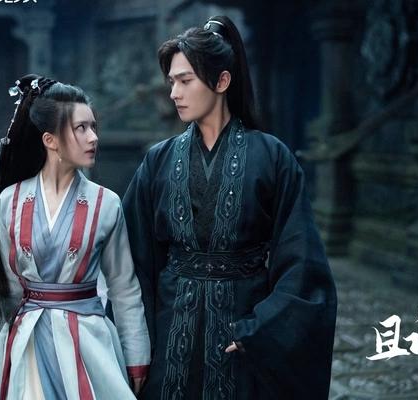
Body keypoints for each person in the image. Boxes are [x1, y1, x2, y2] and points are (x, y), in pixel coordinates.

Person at [122, 16, 337, 399]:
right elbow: (132, 260)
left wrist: (261, 329)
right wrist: (136, 340)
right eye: (172, 82)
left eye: (185, 81)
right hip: (171, 332)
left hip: (242, 333)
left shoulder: (272, 156)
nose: (174, 93)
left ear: (222, 82)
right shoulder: (158, 160)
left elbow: (302, 262)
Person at [0, 74, 150, 400]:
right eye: (81, 128)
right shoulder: (12, 200)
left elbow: (123, 288)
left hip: (88, 344)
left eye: (93, 127)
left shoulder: (106, 204)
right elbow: (4, 290)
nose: (93, 137)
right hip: (27, 345)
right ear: (50, 140)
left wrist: (136, 355)